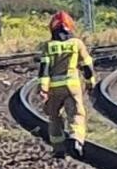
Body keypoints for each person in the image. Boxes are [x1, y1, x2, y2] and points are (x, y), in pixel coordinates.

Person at [38, 11, 95, 158]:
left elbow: (44, 70)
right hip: (73, 86)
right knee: (76, 113)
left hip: (54, 88)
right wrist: (90, 82)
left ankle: (58, 149)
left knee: (54, 117)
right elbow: (87, 66)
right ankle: (76, 140)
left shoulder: (48, 46)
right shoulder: (77, 44)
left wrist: (43, 89)